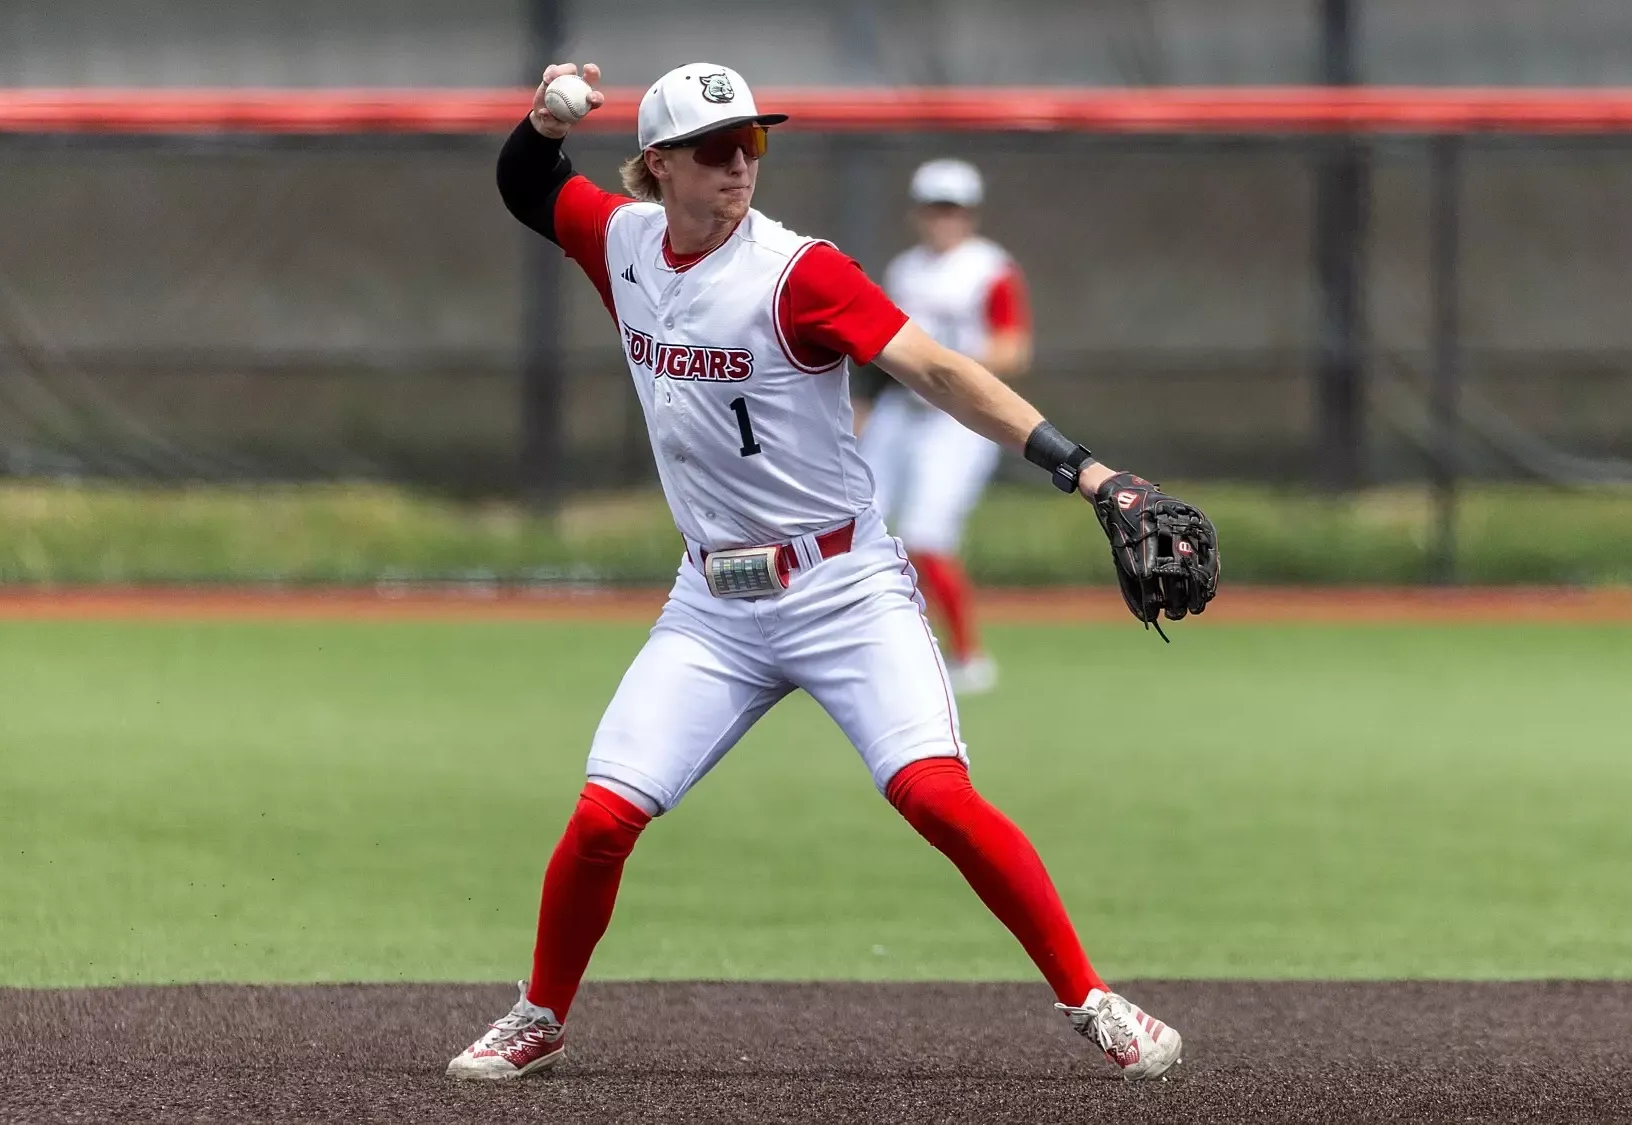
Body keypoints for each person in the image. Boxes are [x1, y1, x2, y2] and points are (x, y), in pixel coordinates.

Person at [450, 61, 1184, 1083]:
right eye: (714, 149)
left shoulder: (798, 272)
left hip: (842, 587)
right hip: (712, 600)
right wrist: (538, 121)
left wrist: (1087, 472)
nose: (739, 166)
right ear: (658, 166)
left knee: (934, 794)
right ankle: (539, 1012)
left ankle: (1091, 1000)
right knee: (602, 815)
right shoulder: (619, 240)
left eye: (751, 143)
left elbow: (936, 370)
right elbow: (528, 186)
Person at [858, 159, 1026, 695]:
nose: (943, 219)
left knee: (927, 535)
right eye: (935, 208)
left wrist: (954, 372)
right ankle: (868, 649)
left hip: (955, 420)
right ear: (919, 213)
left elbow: (1014, 347)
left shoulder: (989, 268)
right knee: (860, 529)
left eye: (952, 209)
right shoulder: (905, 269)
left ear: (970, 214)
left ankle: (967, 657)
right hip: (901, 413)